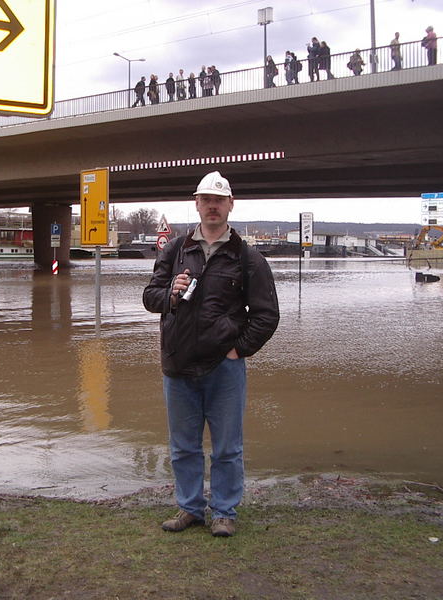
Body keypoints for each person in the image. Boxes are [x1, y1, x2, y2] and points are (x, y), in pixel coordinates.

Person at [142, 171, 280, 538]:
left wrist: (239, 349)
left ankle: (224, 511)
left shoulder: (247, 258)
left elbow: (266, 315)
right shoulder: (174, 251)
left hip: (224, 367)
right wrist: (171, 291)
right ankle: (190, 509)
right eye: (206, 200)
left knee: (227, 449)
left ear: (230, 204)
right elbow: (149, 298)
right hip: (178, 366)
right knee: (183, 447)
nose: (213, 206)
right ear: (197, 204)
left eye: (219, 200)